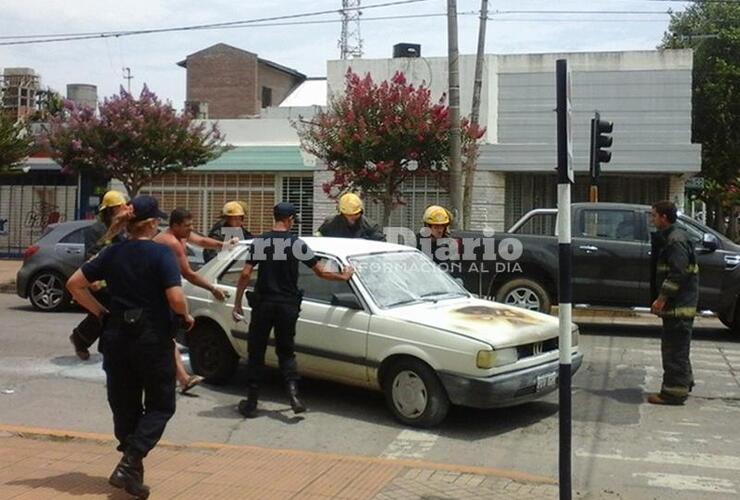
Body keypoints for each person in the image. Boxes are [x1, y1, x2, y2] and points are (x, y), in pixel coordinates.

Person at [66, 195, 194, 499]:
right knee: (161, 406)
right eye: (158, 220)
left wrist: (99, 312)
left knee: (125, 408)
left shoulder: (112, 252)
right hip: (151, 340)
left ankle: (131, 475)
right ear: (150, 224)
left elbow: (74, 284)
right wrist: (185, 316)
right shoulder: (160, 254)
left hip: (116, 339)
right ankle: (130, 461)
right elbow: (175, 299)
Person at [231, 202, 353, 418]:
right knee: (286, 351)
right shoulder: (297, 244)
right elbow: (321, 272)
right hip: (287, 305)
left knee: (256, 351)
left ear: (275, 217)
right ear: (290, 220)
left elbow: (245, 274)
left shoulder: (261, 241)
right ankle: (294, 396)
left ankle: (251, 402)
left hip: (264, 304)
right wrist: (343, 276)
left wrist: (238, 302)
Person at [154, 208, 234, 393]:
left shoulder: (182, 236)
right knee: (166, 337)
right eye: (187, 226)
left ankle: (182, 378)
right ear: (175, 226)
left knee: (165, 337)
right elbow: (188, 273)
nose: (190, 230)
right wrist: (213, 288)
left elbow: (202, 241)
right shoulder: (170, 242)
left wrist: (225, 245)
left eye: (191, 226)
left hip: (166, 290)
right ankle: (182, 378)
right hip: (158, 293)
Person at [69, 190, 131, 360]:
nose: (125, 209)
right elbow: (92, 254)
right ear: (111, 210)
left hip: (116, 279)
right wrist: (95, 280)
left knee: (108, 314)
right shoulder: (96, 229)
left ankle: (81, 338)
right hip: (100, 279)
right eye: (121, 206)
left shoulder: (124, 228)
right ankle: (82, 339)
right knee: (105, 314)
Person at [648, 200, 699, 405]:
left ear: (664, 217)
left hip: (678, 306)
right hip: (680, 305)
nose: (652, 219)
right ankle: (684, 383)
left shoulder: (675, 240)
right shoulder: (674, 236)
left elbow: (677, 274)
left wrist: (661, 299)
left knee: (674, 350)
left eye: (654, 215)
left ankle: (673, 393)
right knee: (679, 347)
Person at [316, 193, 385, 241]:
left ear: (361, 212)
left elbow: (381, 246)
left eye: (355, 214)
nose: (351, 218)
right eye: (348, 215)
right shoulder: (330, 224)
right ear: (342, 213)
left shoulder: (371, 227)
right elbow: (317, 242)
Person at [416, 205, 461, 273]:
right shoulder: (416, 244)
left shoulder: (447, 244)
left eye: (442, 226)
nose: (440, 230)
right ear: (427, 227)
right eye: (436, 227)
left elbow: (450, 269)